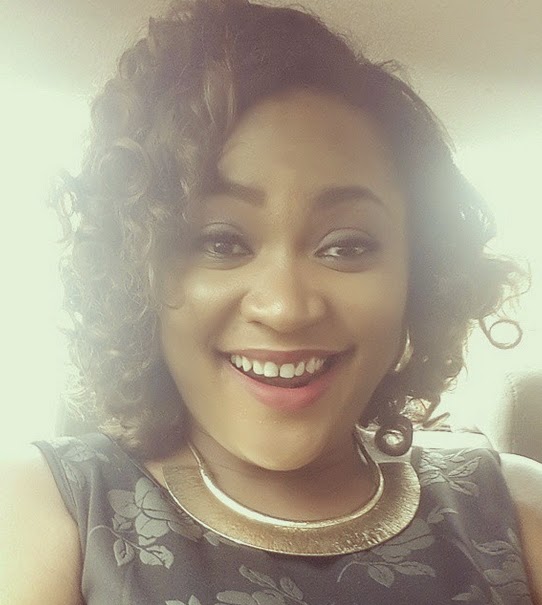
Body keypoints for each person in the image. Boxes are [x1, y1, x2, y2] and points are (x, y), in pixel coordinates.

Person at [2, 0, 541, 603]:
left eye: (347, 246)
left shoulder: (517, 510)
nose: (285, 308)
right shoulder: (44, 510)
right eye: (221, 242)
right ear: (136, 273)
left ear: (421, 274)